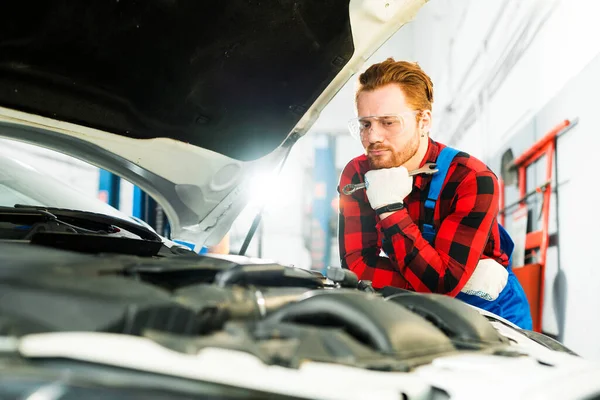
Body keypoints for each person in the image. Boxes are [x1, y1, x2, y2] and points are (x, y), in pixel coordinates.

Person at [337, 58, 532, 329]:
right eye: (365, 124)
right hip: (411, 308)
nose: (373, 137)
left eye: (388, 123)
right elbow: (357, 266)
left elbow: (440, 283)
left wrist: (389, 208)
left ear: (423, 121)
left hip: (492, 311)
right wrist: (449, 280)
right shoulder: (357, 174)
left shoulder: (471, 178)